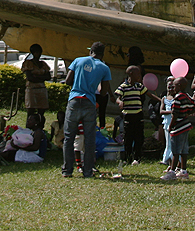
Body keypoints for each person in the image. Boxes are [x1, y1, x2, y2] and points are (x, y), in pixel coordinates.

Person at [61, 41, 112, 178]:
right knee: (90, 139)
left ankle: (67, 171)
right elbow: (103, 93)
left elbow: (67, 81)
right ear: (102, 54)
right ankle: (88, 171)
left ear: (91, 52)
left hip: (74, 100)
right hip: (89, 102)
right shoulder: (104, 68)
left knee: (69, 137)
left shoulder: (78, 61)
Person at [161, 77, 195, 181]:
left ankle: (172, 171)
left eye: (175, 85)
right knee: (184, 150)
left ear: (180, 86)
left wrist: (171, 125)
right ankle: (183, 170)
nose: (173, 87)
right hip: (186, 125)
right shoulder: (186, 96)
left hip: (177, 127)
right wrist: (186, 113)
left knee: (175, 150)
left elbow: (175, 114)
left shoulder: (177, 99)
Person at [114, 65, 149, 165]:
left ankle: (137, 158)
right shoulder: (123, 87)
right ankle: (127, 158)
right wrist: (120, 102)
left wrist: (161, 101)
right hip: (128, 115)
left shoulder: (139, 86)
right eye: (138, 74)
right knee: (128, 137)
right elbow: (118, 98)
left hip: (138, 114)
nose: (139, 76)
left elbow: (149, 94)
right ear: (131, 74)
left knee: (139, 137)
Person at [21, 43, 51, 128]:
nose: (38, 54)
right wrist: (42, 77)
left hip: (42, 89)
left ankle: (40, 128)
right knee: (31, 111)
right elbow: (30, 77)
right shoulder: (28, 63)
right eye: (36, 52)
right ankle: (29, 129)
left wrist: (37, 77)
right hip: (32, 89)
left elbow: (48, 76)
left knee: (41, 111)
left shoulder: (43, 64)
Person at [159, 76, 175, 165]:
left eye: (173, 87)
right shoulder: (164, 99)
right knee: (168, 141)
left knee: (174, 141)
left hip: (175, 122)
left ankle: (175, 159)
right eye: (169, 87)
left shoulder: (176, 98)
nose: (170, 89)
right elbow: (161, 111)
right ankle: (166, 158)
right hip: (167, 122)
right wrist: (171, 112)